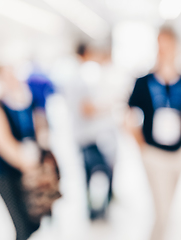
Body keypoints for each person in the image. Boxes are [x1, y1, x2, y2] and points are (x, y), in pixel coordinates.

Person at [127, 26, 181, 240]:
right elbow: (129, 115)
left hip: (178, 153)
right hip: (153, 154)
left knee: (167, 209)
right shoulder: (144, 81)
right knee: (162, 211)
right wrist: (141, 146)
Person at [0, 65, 56, 240]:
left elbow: (43, 133)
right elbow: (4, 145)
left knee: (37, 224)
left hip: (34, 173)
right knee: (23, 229)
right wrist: (29, 166)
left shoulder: (29, 104)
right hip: (10, 177)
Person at [64, 41, 124, 220]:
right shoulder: (82, 78)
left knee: (91, 175)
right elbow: (87, 109)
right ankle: (97, 208)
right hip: (89, 137)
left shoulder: (80, 76)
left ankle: (96, 206)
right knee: (99, 171)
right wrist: (110, 104)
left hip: (85, 135)